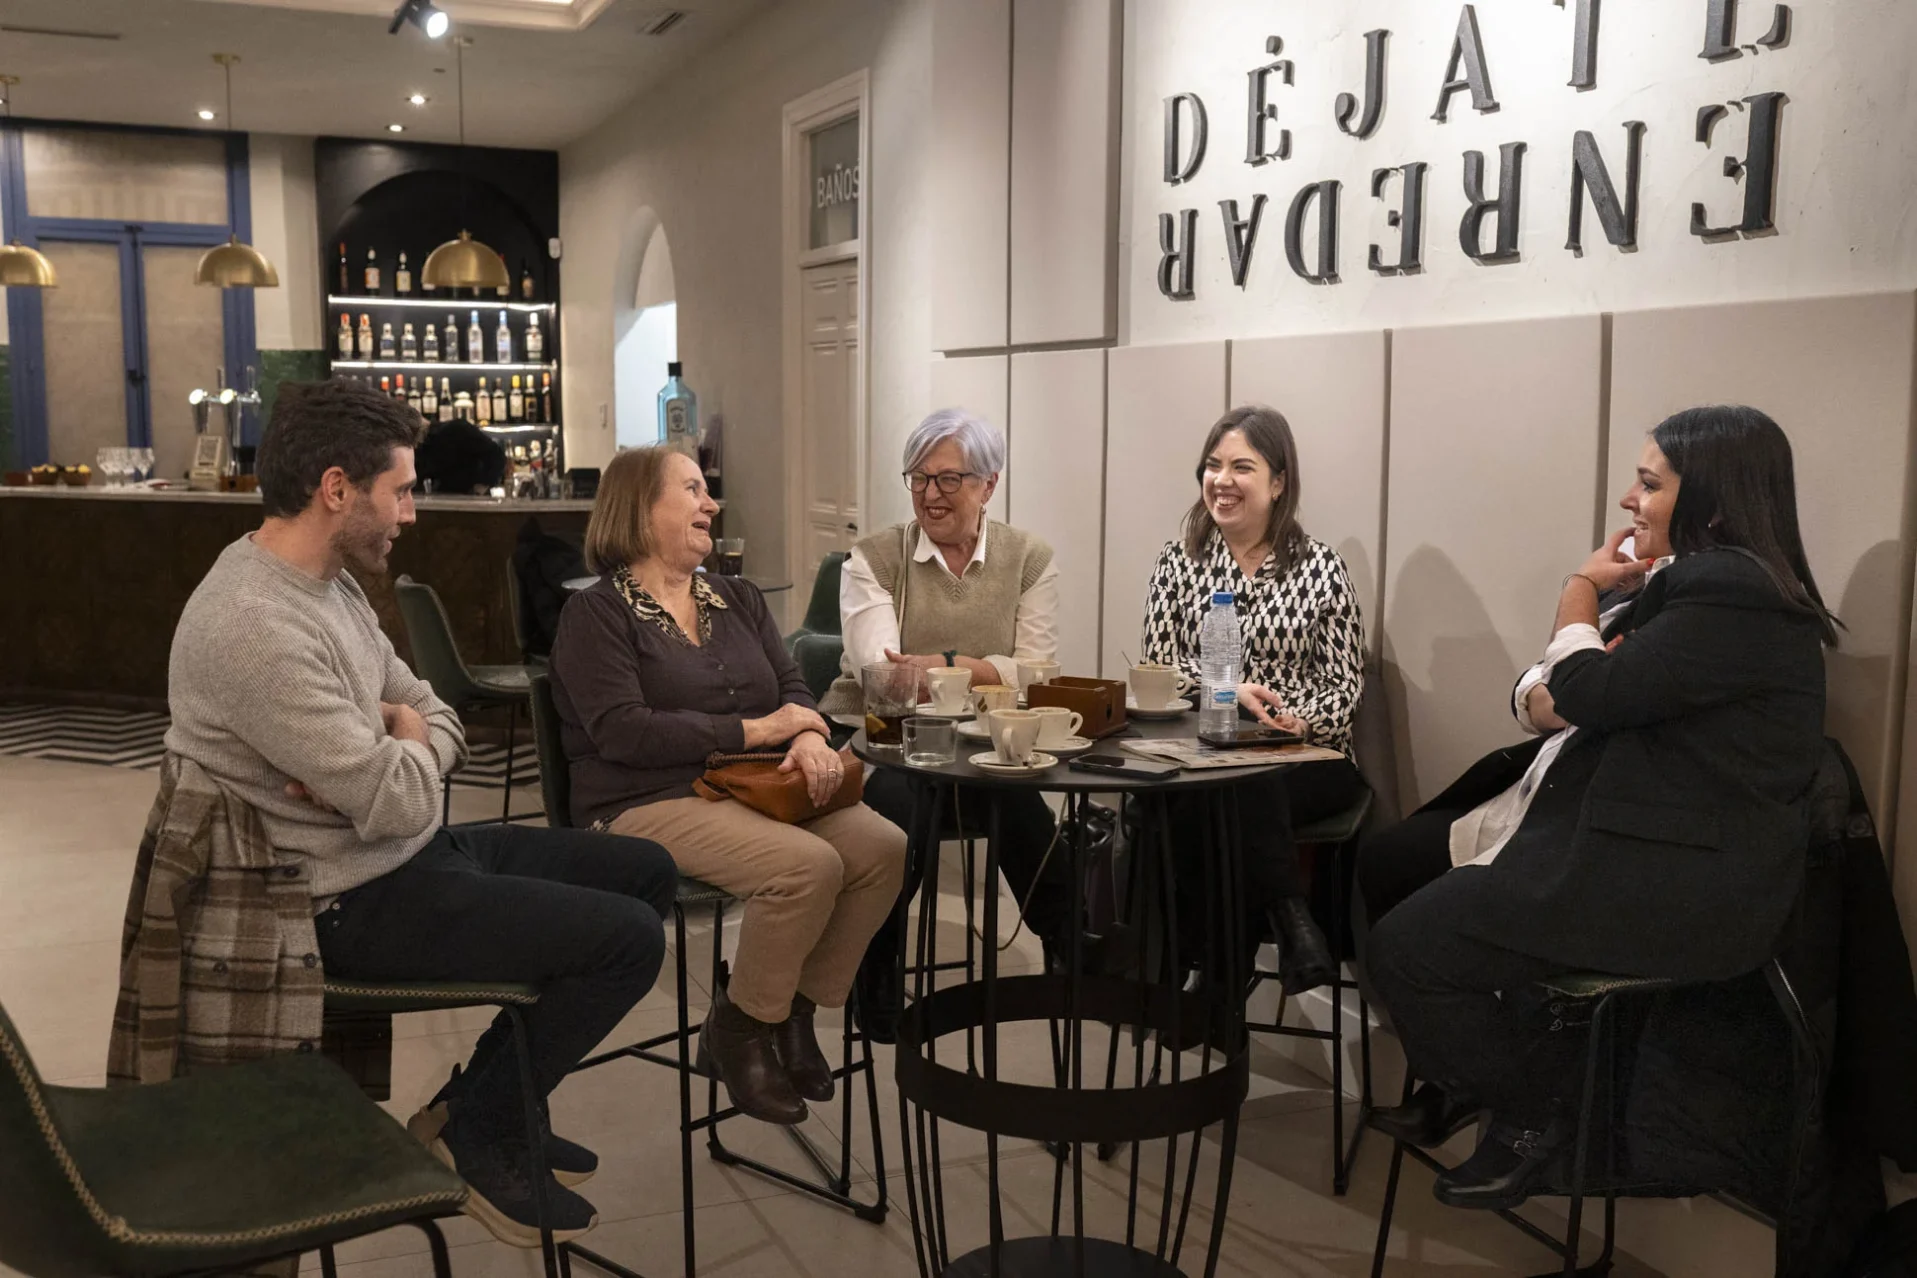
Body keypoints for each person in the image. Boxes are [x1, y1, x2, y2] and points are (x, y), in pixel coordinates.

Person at [164, 380, 678, 1249]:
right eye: (400, 490)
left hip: (400, 851)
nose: (411, 511)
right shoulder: (254, 624)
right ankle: (486, 1128)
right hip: (332, 901)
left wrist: (401, 739)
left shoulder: (330, 586)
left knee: (648, 870)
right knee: (627, 939)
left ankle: (475, 1103)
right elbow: (404, 789)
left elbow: (432, 711)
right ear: (337, 489)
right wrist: (403, 755)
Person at [1363, 405, 1837, 1212]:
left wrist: (1577, 587)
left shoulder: (1722, 590)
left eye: (1648, 484)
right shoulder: (1694, 583)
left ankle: (1532, 1111)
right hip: (1633, 841)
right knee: (1389, 877)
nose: (1628, 500)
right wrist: (1573, 660)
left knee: (1407, 947)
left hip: (1674, 882)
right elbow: (1550, 689)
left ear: (1711, 501)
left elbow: (1582, 685)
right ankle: (1477, 1082)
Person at [549, 445, 907, 1127]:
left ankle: (793, 1008)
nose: (710, 504)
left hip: (749, 787)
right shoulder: (595, 616)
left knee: (881, 847)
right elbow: (623, 732)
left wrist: (803, 735)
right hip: (641, 801)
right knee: (805, 867)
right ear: (640, 509)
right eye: (691, 489)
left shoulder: (735, 598)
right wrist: (758, 729)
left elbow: (793, 685)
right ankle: (740, 1028)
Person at [825, 408, 1073, 1040]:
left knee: (1022, 803)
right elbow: (882, 677)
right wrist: (994, 671)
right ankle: (874, 966)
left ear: (989, 484)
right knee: (895, 808)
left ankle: (1076, 948)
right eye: (919, 479)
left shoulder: (1029, 558)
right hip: (877, 737)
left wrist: (943, 663)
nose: (930, 495)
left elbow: (1042, 674)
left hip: (977, 743)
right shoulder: (874, 558)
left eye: (949, 479)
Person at [1141, 405, 1366, 999]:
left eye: (1242, 466)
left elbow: (1345, 686)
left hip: (1310, 759)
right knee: (1223, 786)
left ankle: (1207, 973)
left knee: (1235, 786)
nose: (1222, 480)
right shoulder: (1177, 562)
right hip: (1208, 752)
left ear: (1278, 481)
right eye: (1213, 466)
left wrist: (1299, 720)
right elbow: (1159, 669)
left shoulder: (1320, 568)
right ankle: (1289, 922)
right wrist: (1226, 691)